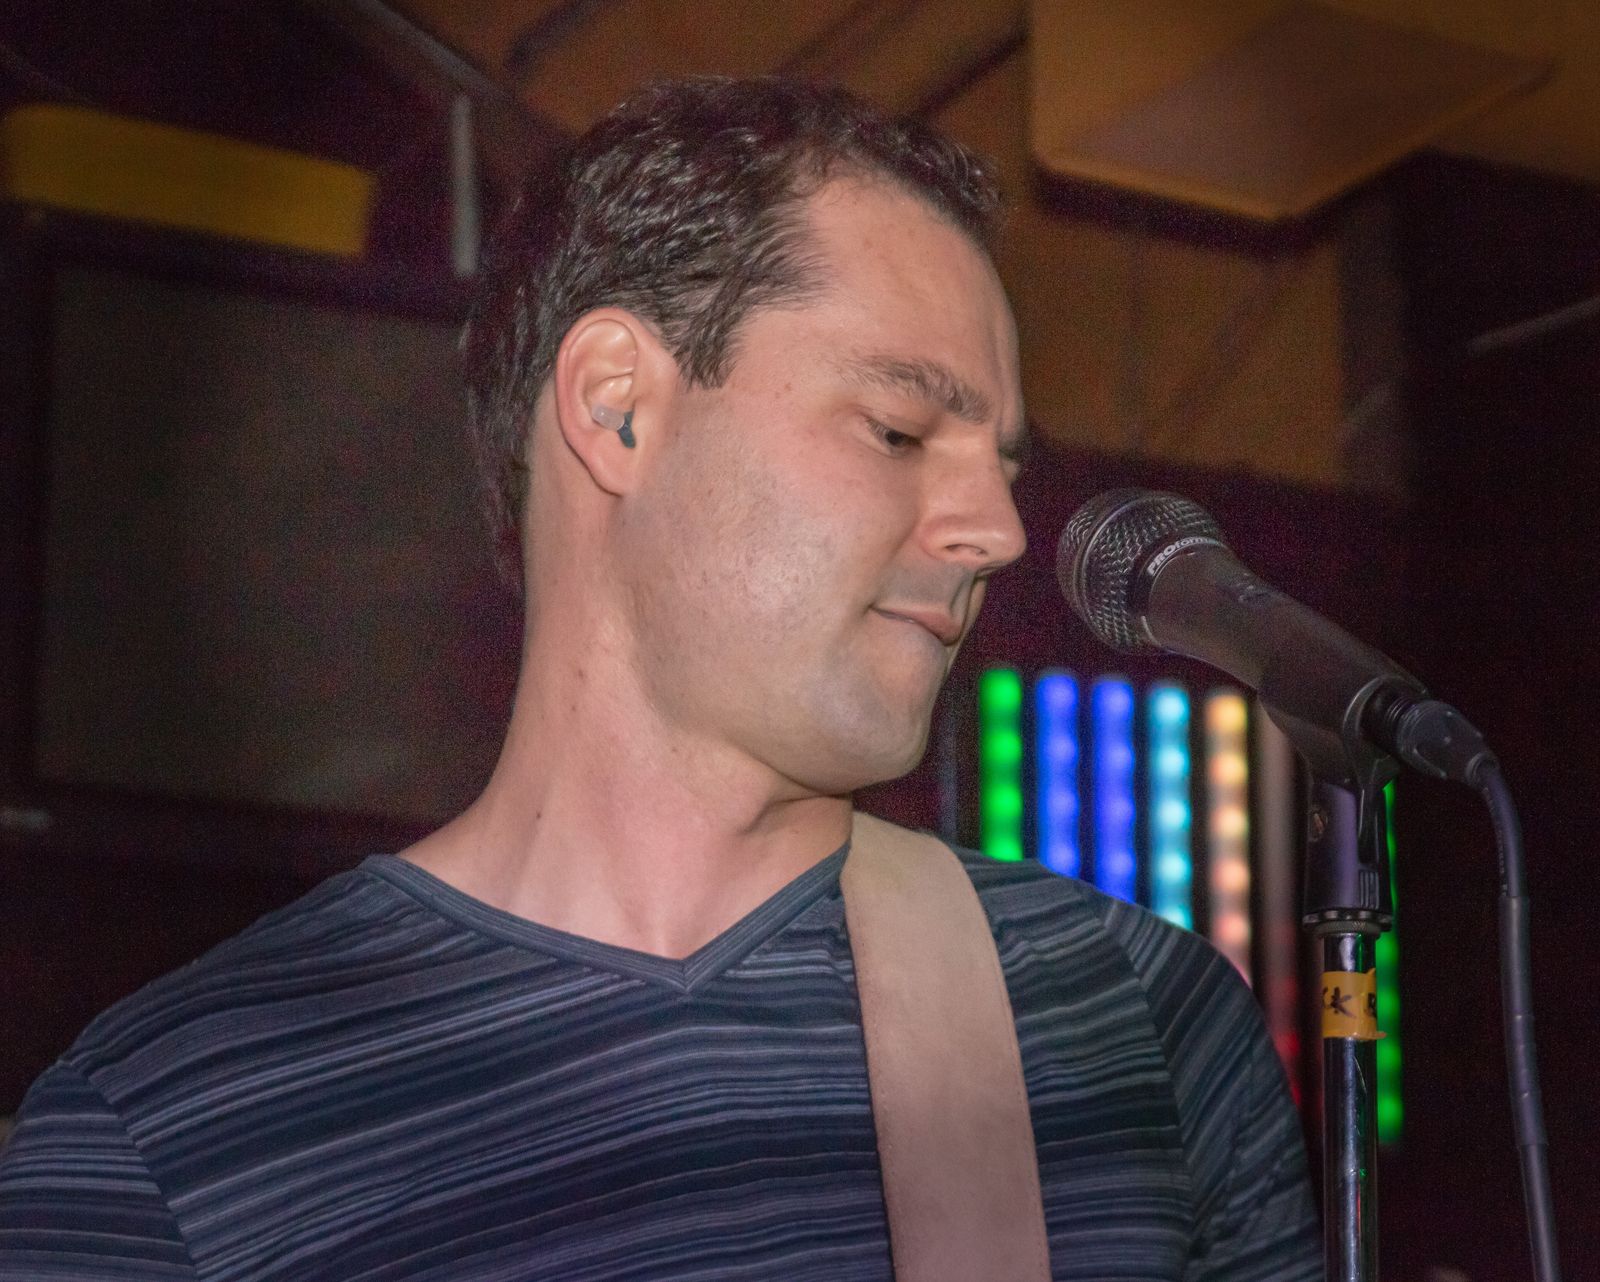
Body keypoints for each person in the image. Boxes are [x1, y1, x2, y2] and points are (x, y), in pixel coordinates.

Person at [0, 77, 1320, 1279]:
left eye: (1004, 465)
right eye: (899, 429)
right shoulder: (164, 1128)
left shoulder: (1139, 1029)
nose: (1002, 532)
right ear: (618, 406)